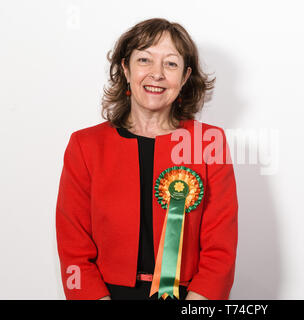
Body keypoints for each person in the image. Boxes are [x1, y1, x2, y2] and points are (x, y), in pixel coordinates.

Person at [55, 18, 238, 300]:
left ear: (185, 77)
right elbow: (73, 249)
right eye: (144, 60)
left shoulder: (208, 143)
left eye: (171, 64)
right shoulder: (85, 145)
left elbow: (220, 249)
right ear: (126, 69)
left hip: (190, 297)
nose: (157, 74)